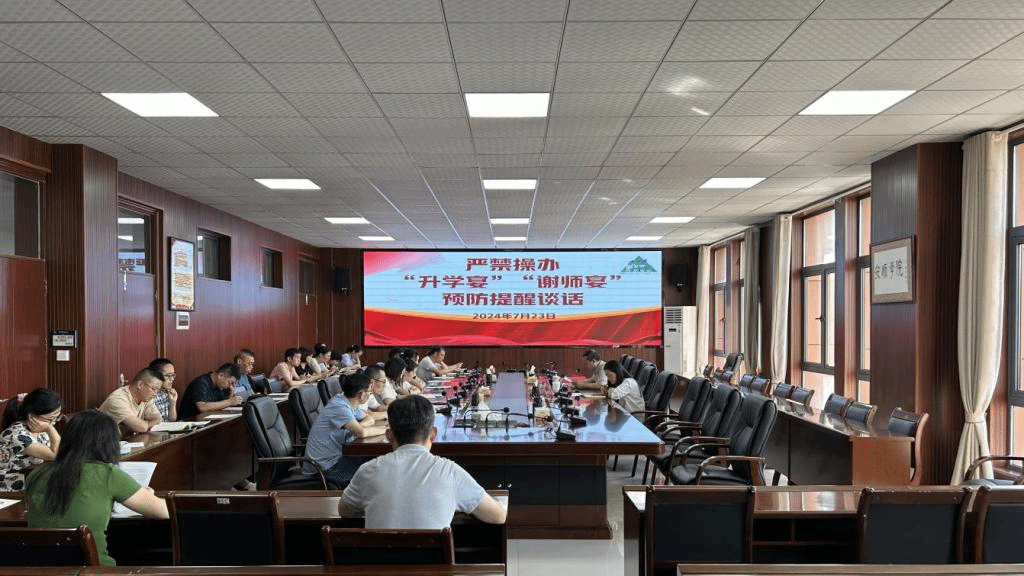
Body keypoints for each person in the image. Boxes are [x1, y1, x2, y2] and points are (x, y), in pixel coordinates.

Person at [25, 410, 168, 566]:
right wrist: (148, 494)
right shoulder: (106, 473)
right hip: (95, 571)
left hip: (43, 570)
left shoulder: (36, 475)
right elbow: (164, 511)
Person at [339, 395, 506, 529]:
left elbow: (344, 511)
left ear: (389, 436)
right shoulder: (449, 471)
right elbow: (498, 516)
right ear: (433, 434)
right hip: (434, 562)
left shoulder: (368, 470)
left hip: (378, 562)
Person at [303, 373, 386, 488]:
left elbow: (369, 419)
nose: (370, 394)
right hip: (324, 467)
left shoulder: (348, 402)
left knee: (375, 462)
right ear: (361, 395)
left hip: (336, 458)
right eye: (369, 392)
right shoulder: (340, 406)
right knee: (373, 473)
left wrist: (359, 426)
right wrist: (386, 430)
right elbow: (362, 433)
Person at [0, 388, 62, 491]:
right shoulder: (17, 434)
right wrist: (49, 428)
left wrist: (48, 427)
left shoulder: (39, 430)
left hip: (30, 479)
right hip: (10, 485)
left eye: (57, 418)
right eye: (50, 419)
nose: (54, 423)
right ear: (32, 415)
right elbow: (55, 455)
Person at [98, 369, 163, 436]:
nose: (155, 394)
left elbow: (157, 418)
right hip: (103, 441)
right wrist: (147, 424)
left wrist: (147, 424)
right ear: (140, 385)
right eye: (154, 389)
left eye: (157, 391)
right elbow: (141, 427)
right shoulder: (118, 399)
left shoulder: (146, 397)